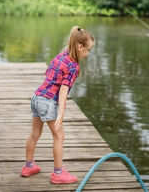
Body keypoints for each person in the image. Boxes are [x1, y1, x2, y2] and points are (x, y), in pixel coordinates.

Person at [21, 26, 94, 184]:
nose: (88, 54)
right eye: (89, 50)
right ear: (80, 47)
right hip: (47, 102)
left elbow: (48, 75)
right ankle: (58, 174)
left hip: (36, 97)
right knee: (59, 136)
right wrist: (60, 114)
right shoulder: (74, 66)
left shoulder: (61, 56)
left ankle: (28, 167)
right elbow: (63, 91)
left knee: (35, 133)